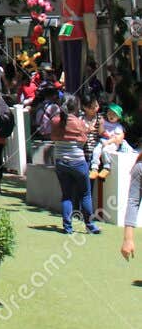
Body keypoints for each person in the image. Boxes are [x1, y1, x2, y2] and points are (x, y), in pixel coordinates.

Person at [49, 93, 101, 236]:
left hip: (60, 161)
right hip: (78, 161)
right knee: (85, 194)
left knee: (66, 195)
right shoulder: (79, 122)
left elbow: (53, 137)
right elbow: (83, 140)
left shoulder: (55, 121)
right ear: (76, 107)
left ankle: (67, 227)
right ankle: (89, 225)